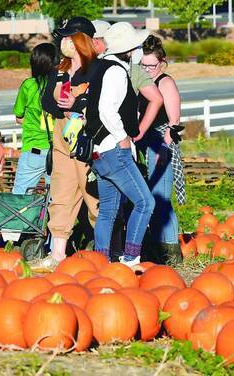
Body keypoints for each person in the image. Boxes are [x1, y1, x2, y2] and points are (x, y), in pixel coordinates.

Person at [67, 20, 165, 261]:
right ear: (130, 49)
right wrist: (122, 138)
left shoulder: (100, 67)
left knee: (108, 211)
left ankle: (102, 259)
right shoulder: (117, 72)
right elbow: (106, 110)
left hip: (99, 151)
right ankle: (131, 257)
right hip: (113, 149)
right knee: (145, 203)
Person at [34, 17, 101, 269]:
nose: (63, 42)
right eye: (62, 38)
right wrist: (61, 106)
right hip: (62, 142)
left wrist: (78, 104)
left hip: (87, 142)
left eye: (68, 38)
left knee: (94, 196)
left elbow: (101, 103)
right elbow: (46, 102)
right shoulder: (59, 70)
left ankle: (108, 251)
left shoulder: (96, 70)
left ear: (81, 40)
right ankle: (57, 253)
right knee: (61, 194)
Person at [137, 35, 185, 264]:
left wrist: (164, 149)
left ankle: (171, 251)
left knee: (161, 197)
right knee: (147, 198)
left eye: (151, 65)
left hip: (160, 144)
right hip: (142, 142)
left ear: (162, 62)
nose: (147, 69)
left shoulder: (165, 83)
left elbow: (173, 122)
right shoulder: (141, 81)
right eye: (143, 64)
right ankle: (155, 245)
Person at [11, 43, 59, 194]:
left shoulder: (29, 86)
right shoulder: (60, 85)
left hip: (34, 150)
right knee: (56, 200)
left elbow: (19, 117)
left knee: (20, 197)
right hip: (57, 151)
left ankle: (23, 219)